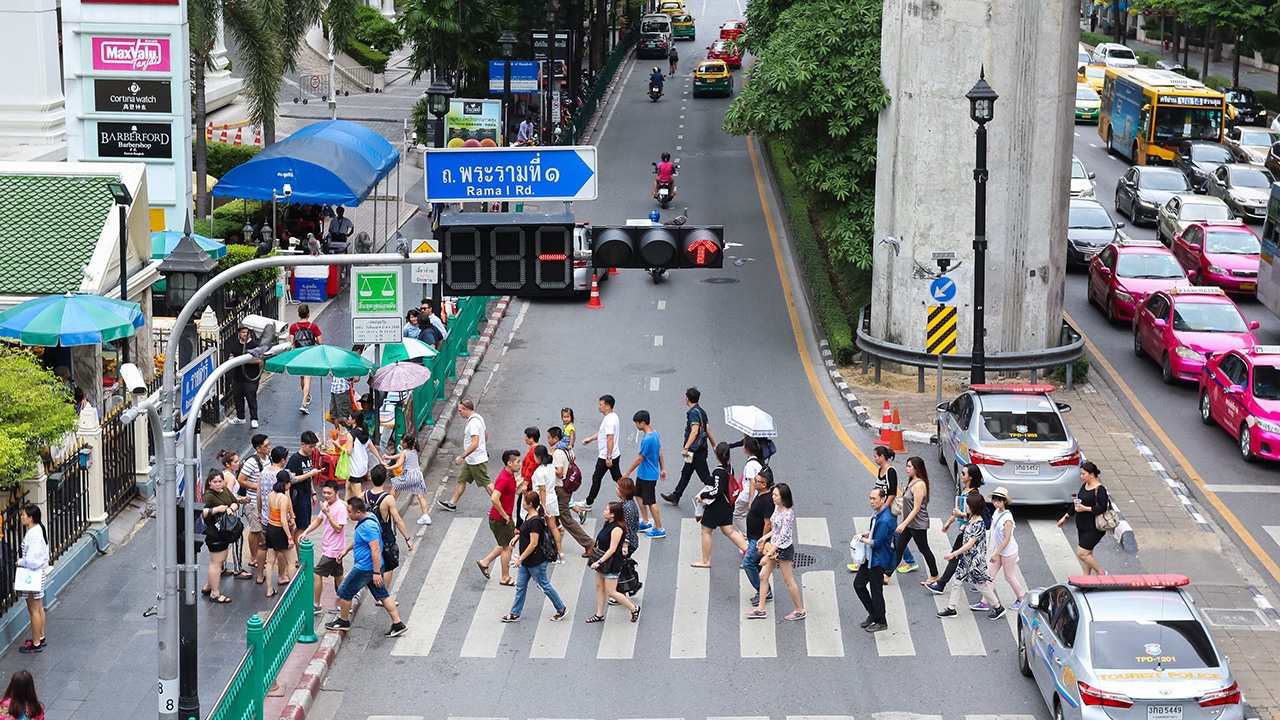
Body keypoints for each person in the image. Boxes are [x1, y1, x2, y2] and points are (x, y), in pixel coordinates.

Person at [325, 497, 408, 638]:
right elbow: (359, 538)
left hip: (365, 568)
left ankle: (343, 621)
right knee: (382, 595)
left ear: (358, 512)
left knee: (344, 591)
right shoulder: (368, 518)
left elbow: (375, 549)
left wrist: (376, 573)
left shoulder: (367, 526)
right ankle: (397, 623)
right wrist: (346, 550)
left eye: (349, 511)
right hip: (371, 567)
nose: (348, 514)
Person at [925, 463, 989, 601]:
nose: (961, 475)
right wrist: (949, 522)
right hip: (963, 530)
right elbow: (957, 509)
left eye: (964, 473)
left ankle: (941, 584)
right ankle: (979, 580)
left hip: (968, 531)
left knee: (955, 556)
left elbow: (975, 514)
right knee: (967, 558)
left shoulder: (974, 494)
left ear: (971, 477)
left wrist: (961, 514)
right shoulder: (964, 490)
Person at [937, 493, 1006, 620]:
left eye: (968, 505)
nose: (966, 507)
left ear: (974, 507)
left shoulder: (979, 523)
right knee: (957, 581)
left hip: (975, 561)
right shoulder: (972, 518)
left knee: (981, 585)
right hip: (966, 558)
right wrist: (965, 527)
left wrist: (954, 554)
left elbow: (970, 544)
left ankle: (998, 607)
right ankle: (951, 608)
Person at [502, 491, 568, 623]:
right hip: (527, 561)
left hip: (535, 561)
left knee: (544, 585)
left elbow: (533, 543)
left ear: (530, 504)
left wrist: (520, 559)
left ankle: (561, 608)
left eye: (524, 501)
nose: (522, 503)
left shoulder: (535, 521)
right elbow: (525, 532)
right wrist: (517, 537)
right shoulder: (528, 516)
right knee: (520, 587)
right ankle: (515, 613)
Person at [747, 483, 805, 621]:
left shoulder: (788, 514)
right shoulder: (777, 509)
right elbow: (775, 530)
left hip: (783, 550)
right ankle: (761, 609)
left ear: (783, 497)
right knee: (763, 576)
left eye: (775, 495)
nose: (772, 497)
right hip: (774, 547)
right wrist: (764, 538)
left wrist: (768, 555)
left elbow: (783, 536)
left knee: (788, 580)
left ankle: (799, 610)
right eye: (773, 494)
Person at [861, 446, 916, 574]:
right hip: (881, 507)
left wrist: (884, 508)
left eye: (876, 456)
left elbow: (892, 493)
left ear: (882, 456)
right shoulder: (880, 470)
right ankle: (908, 560)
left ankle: (910, 561)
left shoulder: (890, 471)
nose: (874, 459)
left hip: (888, 509)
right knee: (891, 535)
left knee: (895, 536)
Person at [692, 442, 747, 567]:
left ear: (716, 455)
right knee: (729, 530)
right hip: (729, 504)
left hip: (718, 505)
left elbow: (717, 491)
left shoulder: (718, 471)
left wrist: (703, 495)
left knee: (706, 530)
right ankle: (748, 553)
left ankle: (705, 560)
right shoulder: (730, 468)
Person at [586, 501, 640, 624]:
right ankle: (599, 614)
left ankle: (634, 608)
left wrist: (599, 562)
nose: (604, 511)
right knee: (600, 587)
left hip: (611, 563)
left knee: (611, 592)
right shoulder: (608, 524)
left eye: (607, 510)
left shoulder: (617, 529)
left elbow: (612, 549)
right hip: (604, 561)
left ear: (613, 514)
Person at [891, 456, 940, 586]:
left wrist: (903, 524)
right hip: (910, 522)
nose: (907, 469)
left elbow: (917, 508)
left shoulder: (919, 485)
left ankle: (935, 575)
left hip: (918, 524)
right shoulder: (912, 481)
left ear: (916, 469)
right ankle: (887, 574)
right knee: (899, 547)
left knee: (924, 549)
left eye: (909, 466)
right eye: (907, 466)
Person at [364, 466, 415, 591]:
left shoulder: (364, 495)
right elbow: (398, 520)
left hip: (369, 533)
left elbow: (352, 505)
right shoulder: (388, 499)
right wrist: (407, 538)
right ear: (385, 478)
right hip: (385, 534)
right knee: (389, 565)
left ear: (371, 478)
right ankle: (384, 594)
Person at [547, 426, 594, 556]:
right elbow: (573, 460)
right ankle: (550, 541)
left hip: (560, 488)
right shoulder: (568, 450)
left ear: (556, 439)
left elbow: (559, 472)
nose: (548, 440)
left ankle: (589, 543)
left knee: (566, 519)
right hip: (566, 487)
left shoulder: (558, 453)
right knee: (550, 514)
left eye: (549, 438)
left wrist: (549, 465)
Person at [476, 450, 521, 585]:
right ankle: (505, 577)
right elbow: (494, 498)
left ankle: (485, 562)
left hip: (505, 518)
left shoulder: (510, 476)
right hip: (500, 519)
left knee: (506, 543)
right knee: (507, 547)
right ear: (509, 463)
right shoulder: (504, 478)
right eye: (518, 462)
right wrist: (504, 514)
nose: (520, 464)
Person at [854, 487, 895, 633]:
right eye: (870, 498)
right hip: (869, 558)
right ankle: (874, 613)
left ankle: (881, 621)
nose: (871, 501)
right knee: (858, 584)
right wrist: (867, 533)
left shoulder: (885, 520)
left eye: (874, 499)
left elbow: (877, 543)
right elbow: (874, 531)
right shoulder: (877, 513)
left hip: (878, 560)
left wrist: (861, 539)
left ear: (883, 499)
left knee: (876, 591)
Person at [663, 387, 713, 507]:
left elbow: (694, 431)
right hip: (698, 449)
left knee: (705, 477)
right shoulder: (702, 411)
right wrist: (714, 444)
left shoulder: (693, 413)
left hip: (695, 451)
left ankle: (718, 496)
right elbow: (708, 430)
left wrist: (686, 447)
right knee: (686, 473)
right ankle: (676, 495)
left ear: (687, 399)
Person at [1058, 461, 1109, 576]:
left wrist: (1085, 508)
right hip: (1082, 525)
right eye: (1081, 474)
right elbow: (1076, 503)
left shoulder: (1100, 489)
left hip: (1094, 527)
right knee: (1088, 553)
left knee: (1082, 553)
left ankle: (1101, 572)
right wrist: (1065, 517)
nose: (1081, 476)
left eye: (1084, 474)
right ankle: (1086, 577)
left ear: (1092, 474)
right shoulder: (1084, 486)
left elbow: (1102, 508)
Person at [304, 480, 347, 614]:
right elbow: (318, 520)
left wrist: (328, 514)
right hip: (330, 547)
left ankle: (316, 604)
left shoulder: (340, 508)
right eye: (324, 493)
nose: (326, 495)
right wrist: (306, 532)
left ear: (336, 493)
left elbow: (339, 528)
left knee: (317, 574)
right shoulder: (327, 505)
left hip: (333, 550)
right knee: (338, 575)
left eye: (329, 493)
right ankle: (346, 602)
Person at [624, 410, 666, 538]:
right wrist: (662, 468)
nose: (636, 425)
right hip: (644, 474)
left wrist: (628, 472)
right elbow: (660, 452)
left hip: (648, 475)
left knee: (651, 501)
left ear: (642, 423)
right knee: (638, 495)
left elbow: (639, 458)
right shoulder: (655, 434)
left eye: (637, 423)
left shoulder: (647, 439)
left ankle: (659, 528)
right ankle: (646, 522)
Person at [442, 398, 489, 511]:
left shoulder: (473, 423)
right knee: (462, 480)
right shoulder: (479, 418)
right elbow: (485, 433)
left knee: (486, 483)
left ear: (466, 409)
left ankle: (500, 505)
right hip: (471, 459)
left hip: (476, 460)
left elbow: (474, 443)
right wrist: (483, 446)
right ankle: (452, 503)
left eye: (460, 411)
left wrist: (462, 456)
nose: (459, 413)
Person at [236, 434, 271, 583]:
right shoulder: (251, 462)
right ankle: (253, 557)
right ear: (258, 448)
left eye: (269, 444)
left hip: (265, 501)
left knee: (262, 529)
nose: (269, 447)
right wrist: (258, 487)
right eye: (266, 446)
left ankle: (259, 555)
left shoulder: (268, 459)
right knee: (255, 530)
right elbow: (241, 480)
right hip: (253, 501)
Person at [201, 469, 239, 604]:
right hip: (214, 534)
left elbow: (235, 502)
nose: (218, 484)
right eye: (215, 482)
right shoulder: (208, 496)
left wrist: (231, 508)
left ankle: (208, 586)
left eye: (220, 481)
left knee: (219, 560)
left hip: (224, 533)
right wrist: (217, 509)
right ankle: (215, 593)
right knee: (216, 563)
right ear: (209, 483)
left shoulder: (225, 490)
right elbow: (200, 511)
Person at [579, 394, 622, 511]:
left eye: (601, 405)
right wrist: (590, 439)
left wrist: (608, 457)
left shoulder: (609, 421)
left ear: (607, 406)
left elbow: (610, 438)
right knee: (617, 478)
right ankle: (629, 494)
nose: (599, 407)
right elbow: (603, 433)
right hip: (614, 454)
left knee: (596, 478)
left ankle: (588, 502)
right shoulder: (613, 416)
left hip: (606, 456)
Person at [16, 504, 49, 653]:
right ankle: (40, 636)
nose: (21, 517)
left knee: (33, 609)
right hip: (37, 575)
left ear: (30, 518)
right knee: (39, 607)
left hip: (32, 575)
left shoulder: (34, 535)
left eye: (23, 515)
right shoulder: (37, 530)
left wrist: (21, 562)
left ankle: (36, 642)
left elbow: (32, 560)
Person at [217, 450, 253, 579]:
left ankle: (222, 567)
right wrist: (241, 499)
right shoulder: (231, 477)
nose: (238, 464)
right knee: (237, 538)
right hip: (232, 512)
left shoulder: (223, 474)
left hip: (223, 512)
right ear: (228, 464)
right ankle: (238, 568)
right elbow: (229, 496)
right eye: (235, 462)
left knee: (224, 539)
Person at [988, 487, 1026, 610]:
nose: (996, 503)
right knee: (989, 575)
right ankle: (985, 601)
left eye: (999, 501)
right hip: (999, 549)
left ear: (1004, 501)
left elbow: (1007, 538)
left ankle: (1021, 598)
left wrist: (996, 553)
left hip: (1008, 551)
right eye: (994, 501)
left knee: (1009, 576)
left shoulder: (1007, 518)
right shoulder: (996, 512)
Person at [742, 467, 775, 605]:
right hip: (754, 537)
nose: (753, 482)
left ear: (764, 485)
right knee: (756, 564)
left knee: (748, 563)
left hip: (758, 538)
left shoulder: (766, 500)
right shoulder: (761, 494)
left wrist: (762, 542)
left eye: (756, 481)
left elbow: (768, 524)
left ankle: (763, 591)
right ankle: (765, 590)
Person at [385, 434, 432, 526]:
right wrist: (389, 457)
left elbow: (399, 464)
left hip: (409, 475)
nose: (400, 441)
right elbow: (400, 455)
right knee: (420, 496)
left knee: (394, 485)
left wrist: (388, 468)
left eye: (402, 440)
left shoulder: (404, 452)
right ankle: (426, 516)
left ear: (405, 443)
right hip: (418, 475)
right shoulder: (414, 450)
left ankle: (388, 506)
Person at [264, 471, 296, 598]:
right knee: (291, 561)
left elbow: (270, 512)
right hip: (279, 530)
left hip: (270, 527)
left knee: (270, 561)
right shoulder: (283, 498)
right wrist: (289, 537)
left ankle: (269, 589)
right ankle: (294, 589)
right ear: (286, 483)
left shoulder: (271, 495)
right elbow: (283, 519)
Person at [286, 431, 322, 543]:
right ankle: (298, 549)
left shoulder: (308, 457)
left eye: (314, 447)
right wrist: (310, 473)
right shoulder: (295, 459)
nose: (313, 449)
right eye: (310, 447)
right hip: (298, 497)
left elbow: (308, 478)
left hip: (306, 496)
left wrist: (313, 493)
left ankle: (293, 543)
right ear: (303, 444)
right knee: (301, 527)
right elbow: (291, 479)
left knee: (304, 525)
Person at [530, 445, 563, 561]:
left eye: (534, 456)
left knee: (534, 526)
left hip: (543, 501)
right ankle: (560, 551)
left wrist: (543, 507)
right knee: (553, 527)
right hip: (552, 498)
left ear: (539, 457)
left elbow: (542, 490)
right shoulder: (550, 466)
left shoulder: (540, 472)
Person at [227, 324, 263, 427]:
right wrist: (231, 357)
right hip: (238, 377)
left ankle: (254, 418)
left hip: (250, 377)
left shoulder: (254, 345)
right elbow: (232, 353)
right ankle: (240, 417)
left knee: (251, 398)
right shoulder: (236, 344)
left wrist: (244, 361)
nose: (245, 334)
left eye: (247, 332)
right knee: (238, 398)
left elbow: (259, 360)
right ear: (239, 333)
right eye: (243, 332)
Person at [289, 304, 322, 414]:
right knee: (307, 379)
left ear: (298, 314)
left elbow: (292, 343)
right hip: (310, 354)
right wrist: (313, 339)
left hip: (299, 355)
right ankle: (304, 403)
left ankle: (306, 396)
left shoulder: (293, 327)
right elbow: (320, 342)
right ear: (309, 314)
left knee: (302, 378)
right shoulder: (313, 326)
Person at [345, 411, 381, 500]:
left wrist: (338, 446)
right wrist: (380, 460)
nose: (349, 418)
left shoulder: (350, 434)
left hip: (354, 468)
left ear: (354, 420)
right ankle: (346, 508)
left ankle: (366, 506)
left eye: (350, 417)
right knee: (348, 489)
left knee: (359, 495)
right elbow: (373, 448)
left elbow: (349, 452)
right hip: (362, 466)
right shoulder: (365, 433)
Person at [731, 436, 762, 537]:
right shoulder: (758, 463)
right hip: (754, 494)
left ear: (746, 449)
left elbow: (752, 483)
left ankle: (747, 536)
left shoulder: (750, 465)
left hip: (747, 494)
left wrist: (750, 501)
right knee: (742, 514)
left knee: (737, 514)